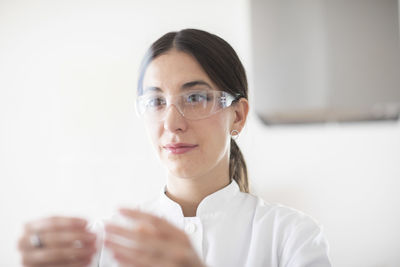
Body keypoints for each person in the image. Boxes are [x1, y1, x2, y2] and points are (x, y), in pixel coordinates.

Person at [18, 28, 331, 267]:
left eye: (195, 98)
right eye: (156, 101)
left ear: (237, 115)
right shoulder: (101, 245)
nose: (172, 123)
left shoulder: (292, 237)